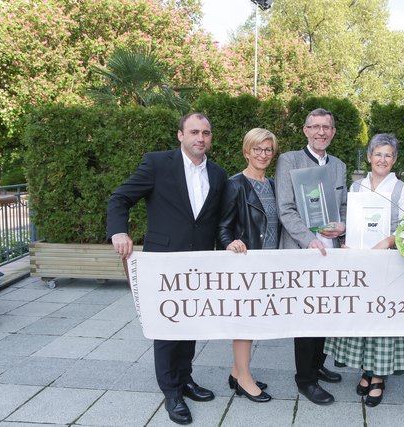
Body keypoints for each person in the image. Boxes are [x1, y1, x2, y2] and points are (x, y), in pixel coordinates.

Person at [107, 112, 227, 425]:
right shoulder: (158, 164)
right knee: (167, 326)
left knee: (190, 324)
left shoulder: (218, 173)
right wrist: (118, 231)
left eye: (206, 132)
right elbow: (120, 198)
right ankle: (171, 391)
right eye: (194, 132)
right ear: (180, 135)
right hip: (163, 262)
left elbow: (215, 220)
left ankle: (185, 379)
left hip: (200, 262)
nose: (200, 138)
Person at [324, 133, 404, 408]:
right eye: (378, 154)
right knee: (363, 317)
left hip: (389, 262)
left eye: (388, 155)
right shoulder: (356, 188)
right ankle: (366, 370)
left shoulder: (403, 190)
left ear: (394, 159)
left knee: (383, 320)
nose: (382, 159)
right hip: (361, 263)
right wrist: (346, 241)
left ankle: (379, 377)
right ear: (369, 157)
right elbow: (351, 222)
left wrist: (388, 241)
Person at [275, 108, 347, 406]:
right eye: (315, 127)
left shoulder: (339, 165)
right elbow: (285, 208)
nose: (321, 132)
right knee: (306, 315)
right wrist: (308, 240)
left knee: (326, 312)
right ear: (305, 130)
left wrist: (344, 226)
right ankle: (305, 379)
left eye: (326, 127)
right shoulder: (289, 160)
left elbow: (343, 206)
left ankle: (317, 364)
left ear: (332, 131)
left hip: (332, 252)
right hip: (302, 251)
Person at [218, 128, 280, 404]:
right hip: (246, 264)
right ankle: (244, 380)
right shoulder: (235, 184)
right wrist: (229, 243)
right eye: (257, 149)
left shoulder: (274, 184)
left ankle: (236, 372)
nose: (263, 154)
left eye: (268, 149)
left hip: (268, 264)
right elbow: (223, 226)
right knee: (245, 321)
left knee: (255, 320)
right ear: (246, 151)